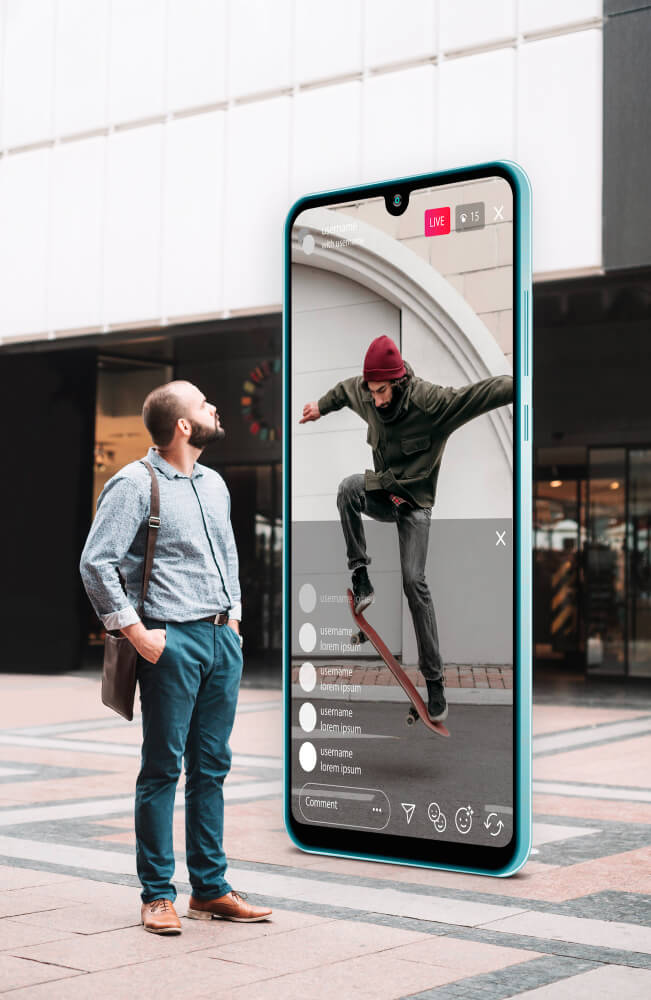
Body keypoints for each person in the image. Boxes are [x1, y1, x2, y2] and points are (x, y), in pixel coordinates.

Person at [80, 380, 272, 935]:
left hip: (220, 641)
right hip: (170, 643)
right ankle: (158, 894)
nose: (215, 407)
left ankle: (210, 890)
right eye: (204, 403)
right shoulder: (133, 485)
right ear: (183, 426)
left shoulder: (214, 484)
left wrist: (233, 619)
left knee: (212, 767)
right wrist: (139, 634)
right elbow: (96, 564)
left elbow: (229, 555)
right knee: (163, 769)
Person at [300, 335, 513, 724]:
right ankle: (362, 577)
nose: (376, 400)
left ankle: (434, 684)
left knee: (414, 582)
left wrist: (523, 386)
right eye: (372, 392)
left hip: (414, 506)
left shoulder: (431, 403)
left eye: (382, 391)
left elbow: (481, 394)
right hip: (384, 493)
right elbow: (344, 391)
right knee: (348, 489)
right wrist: (320, 407)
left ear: (397, 383)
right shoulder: (365, 393)